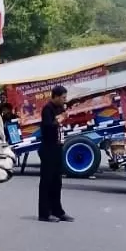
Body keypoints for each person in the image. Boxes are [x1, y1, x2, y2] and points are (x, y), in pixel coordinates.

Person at [38, 85, 73, 223]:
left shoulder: (60, 108)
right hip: (48, 148)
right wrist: (60, 119)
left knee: (57, 182)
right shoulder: (47, 109)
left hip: (58, 146)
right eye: (63, 97)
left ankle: (57, 211)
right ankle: (44, 213)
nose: (65, 100)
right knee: (47, 181)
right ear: (56, 97)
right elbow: (48, 127)